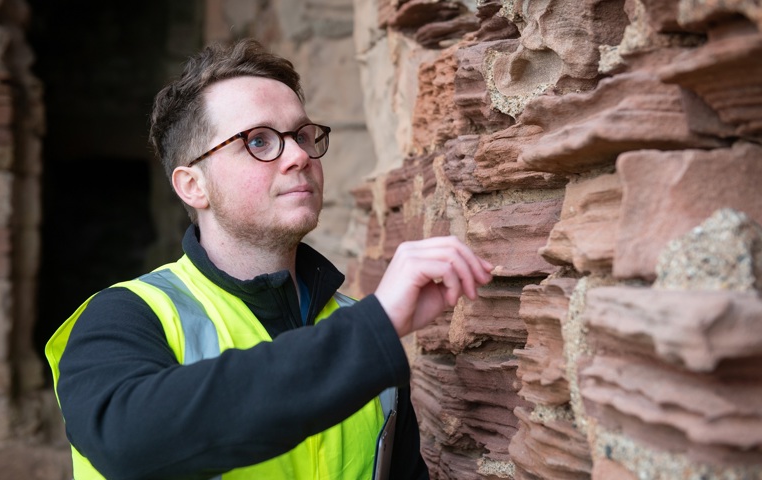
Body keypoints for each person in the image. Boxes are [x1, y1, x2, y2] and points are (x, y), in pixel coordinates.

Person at [45, 38, 493, 480]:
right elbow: (127, 442)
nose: (299, 155)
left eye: (302, 135)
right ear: (192, 186)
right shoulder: (124, 317)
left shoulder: (362, 329)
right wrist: (372, 331)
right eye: (258, 141)